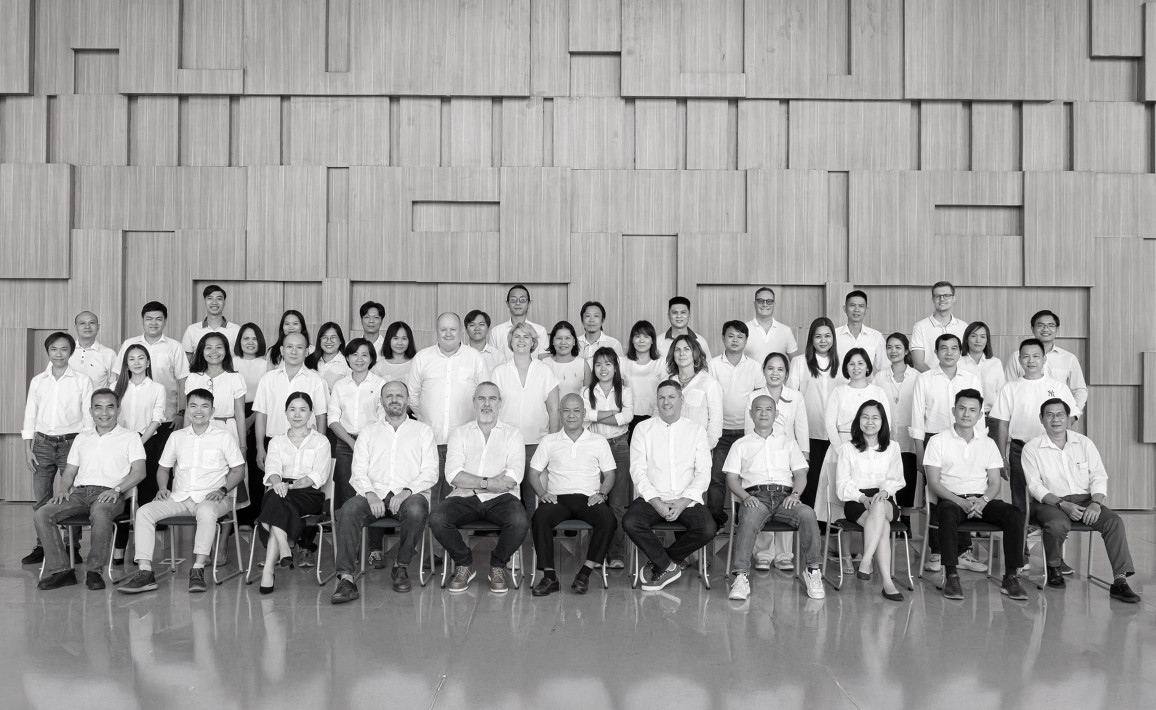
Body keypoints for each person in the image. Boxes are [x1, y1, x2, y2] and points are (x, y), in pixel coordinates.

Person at [118, 389, 245, 594]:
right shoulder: (177, 437)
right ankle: (145, 572)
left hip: (213, 498)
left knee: (206, 511)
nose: (198, 411)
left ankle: (198, 569)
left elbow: (239, 471)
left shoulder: (224, 436)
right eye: (193, 406)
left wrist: (223, 490)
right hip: (180, 497)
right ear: (188, 409)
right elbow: (163, 469)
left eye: (204, 406)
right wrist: (162, 488)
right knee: (144, 512)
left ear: (212, 411)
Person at [1022, 399, 1140, 603]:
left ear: (1068, 418)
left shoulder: (1084, 443)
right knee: (1057, 524)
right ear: (1041, 419)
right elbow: (1035, 486)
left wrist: (1096, 503)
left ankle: (1120, 580)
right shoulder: (1032, 448)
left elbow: (1099, 476)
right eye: (1049, 414)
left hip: (1086, 502)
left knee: (1114, 522)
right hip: (1049, 503)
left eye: (1060, 414)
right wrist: (1062, 504)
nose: (1055, 419)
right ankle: (1054, 566)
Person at [330, 381, 438, 603]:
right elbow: (358, 471)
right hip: (373, 494)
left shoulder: (423, 431)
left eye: (399, 395)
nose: (394, 399)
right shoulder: (368, 432)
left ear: (407, 400)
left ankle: (401, 566)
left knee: (416, 510)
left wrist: (406, 492)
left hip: (409, 495)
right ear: (381, 401)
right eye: (389, 396)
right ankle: (346, 578)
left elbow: (431, 471)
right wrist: (370, 494)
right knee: (349, 509)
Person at [33, 389, 146, 591]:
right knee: (42, 514)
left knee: (100, 513)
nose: (104, 413)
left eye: (110, 407)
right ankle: (62, 571)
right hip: (79, 494)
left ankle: (94, 571)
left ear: (118, 410)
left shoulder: (130, 437)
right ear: (91, 411)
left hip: (110, 494)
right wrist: (63, 489)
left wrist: (117, 490)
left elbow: (139, 472)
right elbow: (69, 472)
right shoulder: (82, 438)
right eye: (98, 407)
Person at [924, 389, 1028, 601]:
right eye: (962, 408)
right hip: (951, 499)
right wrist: (960, 501)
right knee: (946, 514)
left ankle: (1011, 577)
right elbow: (933, 482)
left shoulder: (988, 444)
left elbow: (995, 483)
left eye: (972, 410)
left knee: (1014, 514)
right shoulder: (937, 441)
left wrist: (982, 501)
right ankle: (951, 575)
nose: (966, 414)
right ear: (953, 410)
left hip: (983, 500)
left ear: (980, 415)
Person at [429, 383, 530, 594]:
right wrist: (488, 483)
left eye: (492, 398)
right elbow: (453, 475)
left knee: (520, 521)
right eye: (481, 398)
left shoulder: (513, 435)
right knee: (437, 518)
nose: (486, 404)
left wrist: (473, 480)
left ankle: (498, 565)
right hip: (464, 497)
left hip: (503, 498)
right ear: (474, 403)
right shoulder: (460, 434)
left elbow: (514, 476)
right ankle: (464, 563)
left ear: (500, 403)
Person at [724, 395, 825, 601]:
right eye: (758, 409)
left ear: (776, 414)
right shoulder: (740, 445)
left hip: (785, 498)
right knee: (748, 518)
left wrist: (795, 494)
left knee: (807, 513)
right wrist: (744, 496)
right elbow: (731, 478)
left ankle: (813, 571)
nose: (763, 413)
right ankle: (741, 577)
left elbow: (800, 474)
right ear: (751, 413)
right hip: (755, 497)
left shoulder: (788, 442)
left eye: (768, 409)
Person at [622, 381, 716, 591]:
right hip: (652, 498)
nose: (666, 402)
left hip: (686, 499)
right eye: (661, 397)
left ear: (681, 400)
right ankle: (667, 565)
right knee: (631, 522)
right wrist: (656, 502)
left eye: (671, 397)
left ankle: (663, 562)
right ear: (656, 401)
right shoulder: (643, 429)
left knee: (708, 528)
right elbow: (637, 470)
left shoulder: (696, 430)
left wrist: (683, 502)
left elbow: (703, 472)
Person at [527, 393, 618, 596]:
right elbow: (533, 473)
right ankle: (549, 577)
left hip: (589, 499)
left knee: (608, 519)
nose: (571, 415)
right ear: (560, 414)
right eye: (566, 411)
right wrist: (542, 493)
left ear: (584, 414)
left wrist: (602, 493)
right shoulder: (549, 441)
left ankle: (584, 573)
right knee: (540, 517)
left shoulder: (598, 441)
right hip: (557, 499)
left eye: (576, 410)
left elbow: (610, 474)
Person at [911, 334, 985, 573]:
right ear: (936, 352)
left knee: (965, 490)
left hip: (966, 439)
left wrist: (980, 446)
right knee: (935, 496)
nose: (949, 353)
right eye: (944, 348)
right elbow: (917, 417)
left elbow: (980, 415)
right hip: (934, 440)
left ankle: (963, 552)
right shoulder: (925, 379)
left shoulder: (971, 378)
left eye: (954, 348)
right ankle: (937, 551)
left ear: (960, 351)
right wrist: (919, 450)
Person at [254, 332, 330, 563]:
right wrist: (259, 446)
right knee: (275, 492)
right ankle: (285, 548)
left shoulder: (316, 380)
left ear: (307, 351)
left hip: (308, 446)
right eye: (289, 347)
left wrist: (317, 441)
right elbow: (261, 413)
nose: (294, 351)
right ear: (281, 350)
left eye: (299, 347)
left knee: (274, 498)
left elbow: (321, 415)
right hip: (276, 444)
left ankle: (292, 548)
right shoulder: (269, 379)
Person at [21, 332, 94, 565]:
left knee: (72, 498)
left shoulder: (82, 380)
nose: (59, 354)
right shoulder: (38, 381)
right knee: (41, 498)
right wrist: (27, 448)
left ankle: (72, 545)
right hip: (42, 444)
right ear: (48, 351)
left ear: (71, 352)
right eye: (54, 349)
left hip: (72, 443)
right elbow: (30, 414)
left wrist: (86, 448)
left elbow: (88, 417)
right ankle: (43, 545)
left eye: (64, 349)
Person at [407, 312, 490, 507]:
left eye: (452, 329)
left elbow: (484, 395)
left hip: (464, 442)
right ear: (436, 331)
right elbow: (413, 396)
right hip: (430, 440)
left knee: (459, 499)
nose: (448, 333)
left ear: (460, 331)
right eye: (443, 329)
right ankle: (429, 528)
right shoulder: (422, 358)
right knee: (430, 495)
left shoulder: (474, 357)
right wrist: (427, 418)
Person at [991, 338, 1080, 514]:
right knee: (1020, 497)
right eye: (1026, 356)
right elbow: (1002, 423)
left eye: (1036, 356)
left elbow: (1069, 418)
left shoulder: (1058, 386)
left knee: (1052, 495)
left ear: (1044, 359)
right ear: (1019, 360)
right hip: (1019, 449)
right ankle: (1021, 532)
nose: (1031, 360)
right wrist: (1002, 457)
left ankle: (1049, 529)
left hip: (1051, 449)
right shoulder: (1010, 388)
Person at [256, 392, 331, 593]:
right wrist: (277, 483)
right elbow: (272, 468)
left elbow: (318, 475)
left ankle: (276, 559)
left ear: (311, 413)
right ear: (285, 412)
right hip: (280, 488)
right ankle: (279, 553)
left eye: (302, 409)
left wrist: (288, 486)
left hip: (308, 493)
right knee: (276, 497)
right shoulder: (277, 441)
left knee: (274, 501)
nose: (297, 414)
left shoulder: (321, 441)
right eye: (292, 409)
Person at [112, 301, 190, 493]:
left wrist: (181, 413)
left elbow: (183, 382)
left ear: (165, 321)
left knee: (158, 468)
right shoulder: (129, 344)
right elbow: (117, 378)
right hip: (128, 424)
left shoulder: (174, 346)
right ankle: (125, 511)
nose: (153, 323)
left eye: (158, 319)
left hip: (166, 420)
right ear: (142, 321)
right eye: (149, 319)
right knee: (123, 471)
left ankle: (157, 510)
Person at [835, 400, 906, 601]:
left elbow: (896, 478)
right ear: (858, 421)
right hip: (857, 501)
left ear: (883, 422)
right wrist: (862, 497)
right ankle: (887, 584)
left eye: (875, 418)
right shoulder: (847, 448)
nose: (870, 422)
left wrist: (884, 492)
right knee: (883, 526)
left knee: (880, 504)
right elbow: (842, 483)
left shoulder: (893, 447)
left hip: (885, 499)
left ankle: (865, 561)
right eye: (865, 417)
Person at [744, 352, 808, 571]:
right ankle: (763, 554)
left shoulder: (795, 396)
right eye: (770, 368)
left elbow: (801, 427)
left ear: (786, 374)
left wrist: (804, 456)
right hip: (759, 455)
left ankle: (784, 555)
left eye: (780, 369)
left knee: (788, 501)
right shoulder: (754, 396)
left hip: (787, 456)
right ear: (763, 371)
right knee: (761, 498)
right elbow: (748, 430)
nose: (775, 373)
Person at [491, 322, 561, 513]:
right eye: (517, 336)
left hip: (537, 443)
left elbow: (554, 409)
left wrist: (553, 442)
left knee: (534, 498)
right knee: (507, 497)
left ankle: (533, 532)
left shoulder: (544, 370)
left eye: (526, 336)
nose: (521, 340)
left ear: (533, 342)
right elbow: (492, 409)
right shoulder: (499, 372)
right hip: (505, 443)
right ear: (510, 342)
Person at [110, 343, 166, 561]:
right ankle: (119, 549)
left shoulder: (157, 388)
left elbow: (157, 419)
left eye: (141, 358)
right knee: (121, 498)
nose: (137, 362)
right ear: (126, 364)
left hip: (147, 444)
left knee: (145, 499)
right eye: (131, 359)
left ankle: (142, 552)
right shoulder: (115, 386)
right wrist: (126, 444)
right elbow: (110, 417)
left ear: (148, 362)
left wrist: (138, 443)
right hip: (119, 445)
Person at [707, 321, 763, 529]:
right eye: (731, 336)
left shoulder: (754, 366)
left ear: (746, 341)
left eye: (740, 337)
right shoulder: (713, 365)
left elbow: (760, 397)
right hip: (720, 431)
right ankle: (716, 521)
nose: (735, 340)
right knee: (716, 477)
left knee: (745, 477)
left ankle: (743, 519)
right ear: (723, 338)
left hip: (746, 432)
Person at [581, 347, 634, 569]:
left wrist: (597, 416)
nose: (603, 368)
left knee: (617, 504)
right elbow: (584, 417)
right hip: (593, 448)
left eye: (608, 364)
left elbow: (628, 417)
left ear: (615, 367)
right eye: (598, 364)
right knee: (594, 501)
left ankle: (615, 553)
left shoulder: (625, 391)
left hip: (619, 446)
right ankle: (596, 553)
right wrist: (613, 415)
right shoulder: (586, 391)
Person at [786, 317, 843, 508]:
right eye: (818, 336)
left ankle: (830, 521)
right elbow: (791, 398)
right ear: (811, 338)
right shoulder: (799, 362)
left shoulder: (842, 362)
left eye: (827, 336)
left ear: (833, 338)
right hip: (808, 432)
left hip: (836, 434)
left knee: (832, 479)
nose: (823, 340)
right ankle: (808, 518)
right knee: (810, 478)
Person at [327, 338, 386, 511]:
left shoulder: (380, 383)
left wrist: (364, 442)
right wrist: (352, 442)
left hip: (373, 443)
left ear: (371, 358)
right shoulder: (340, 385)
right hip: (345, 443)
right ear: (347, 358)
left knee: (373, 488)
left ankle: (370, 527)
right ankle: (349, 526)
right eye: (354, 354)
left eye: (364, 355)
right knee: (347, 490)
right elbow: (333, 418)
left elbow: (383, 416)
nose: (359, 359)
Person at [1003, 310, 1088, 413]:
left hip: (1056, 418)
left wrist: (1072, 415)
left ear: (1057, 329)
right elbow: (1007, 388)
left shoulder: (1069, 358)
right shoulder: (1017, 356)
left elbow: (1080, 390)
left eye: (1051, 325)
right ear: (1032, 328)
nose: (1045, 329)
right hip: (1024, 415)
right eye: (1040, 325)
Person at [873, 334, 918, 522]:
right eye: (889, 347)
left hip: (909, 438)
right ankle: (888, 518)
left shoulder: (917, 377)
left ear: (906, 350)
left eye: (898, 347)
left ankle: (906, 523)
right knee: (885, 478)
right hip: (886, 436)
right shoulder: (879, 377)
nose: (893, 351)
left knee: (908, 479)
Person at [233, 323, 268, 526]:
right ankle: (235, 515)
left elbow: (266, 398)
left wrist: (249, 420)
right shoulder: (231, 363)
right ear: (239, 341)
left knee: (256, 467)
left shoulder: (266, 364)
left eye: (254, 338)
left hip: (258, 415)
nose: (250, 342)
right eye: (246, 338)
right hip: (233, 415)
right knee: (236, 465)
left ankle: (254, 513)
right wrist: (240, 421)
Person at [185, 333, 247, 446]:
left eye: (219, 347)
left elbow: (240, 415)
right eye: (208, 348)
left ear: (226, 351)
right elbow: (188, 412)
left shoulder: (235, 378)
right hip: (198, 431)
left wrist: (243, 446)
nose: (214, 351)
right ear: (202, 351)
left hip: (228, 430)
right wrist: (185, 441)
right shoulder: (193, 378)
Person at [666, 334, 723, 453]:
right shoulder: (668, 382)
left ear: (695, 353)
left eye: (687, 349)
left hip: (699, 449)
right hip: (669, 447)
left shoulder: (709, 383)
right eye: (677, 350)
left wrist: (703, 448)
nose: (682, 353)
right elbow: (659, 414)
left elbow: (715, 423)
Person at [959, 321, 1006, 434]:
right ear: (966, 339)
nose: (978, 340)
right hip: (965, 418)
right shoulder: (958, 363)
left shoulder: (995, 363)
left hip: (991, 419)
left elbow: (1001, 394)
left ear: (987, 340)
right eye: (973, 336)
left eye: (982, 336)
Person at [621, 320, 664, 443]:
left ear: (652, 341)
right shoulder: (623, 362)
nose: (641, 340)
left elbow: (665, 392)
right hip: (629, 417)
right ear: (632, 340)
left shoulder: (661, 363)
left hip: (654, 415)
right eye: (637, 336)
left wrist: (656, 416)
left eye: (646, 336)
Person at [910, 281, 967, 372]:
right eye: (938, 296)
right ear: (933, 299)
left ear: (953, 298)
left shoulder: (964, 327)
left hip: (959, 379)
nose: (942, 299)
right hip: (929, 379)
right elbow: (918, 363)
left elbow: (967, 359)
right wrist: (937, 378)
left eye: (946, 295)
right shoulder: (920, 326)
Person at [487, 285, 550, 361]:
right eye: (513, 300)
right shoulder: (496, 331)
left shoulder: (540, 331)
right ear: (507, 303)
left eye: (522, 300)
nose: (517, 303)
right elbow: (492, 361)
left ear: (529, 303)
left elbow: (543, 362)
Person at [181, 284, 241, 357]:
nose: (214, 302)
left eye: (219, 299)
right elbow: (186, 360)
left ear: (224, 302)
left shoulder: (236, 330)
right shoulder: (192, 330)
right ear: (204, 301)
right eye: (210, 298)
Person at [743, 286, 798, 365]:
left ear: (774, 304)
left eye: (769, 301)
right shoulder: (743, 330)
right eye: (760, 301)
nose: (765, 304)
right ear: (754, 304)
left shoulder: (786, 331)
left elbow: (796, 364)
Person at [835, 290, 887, 372]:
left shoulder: (876, 337)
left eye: (861, 306)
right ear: (845, 308)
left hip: (866, 380)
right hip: (838, 381)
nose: (856, 309)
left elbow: (885, 368)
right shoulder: (834, 335)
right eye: (852, 305)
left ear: (866, 309)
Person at [541, 320, 591, 397]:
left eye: (567, 338)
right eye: (559, 338)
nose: (563, 342)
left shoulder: (583, 364)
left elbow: (588, 397)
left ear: (574, 341)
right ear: (552, 341)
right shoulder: (544, 364)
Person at [69, 311, 117, 389]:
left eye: (92, 323)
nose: (87, 326)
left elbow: (114, 384)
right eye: (82, 323)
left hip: (97, 397)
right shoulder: (64, 352)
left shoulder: (109, 354)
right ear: (76, 327)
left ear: (98, 327)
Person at [309, 322, 350, 389]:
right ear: (319, 341)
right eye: (324, 337)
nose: (329, 341)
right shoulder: (309, 360)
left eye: (333, 337)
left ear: (340, 341)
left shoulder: (347, 364)